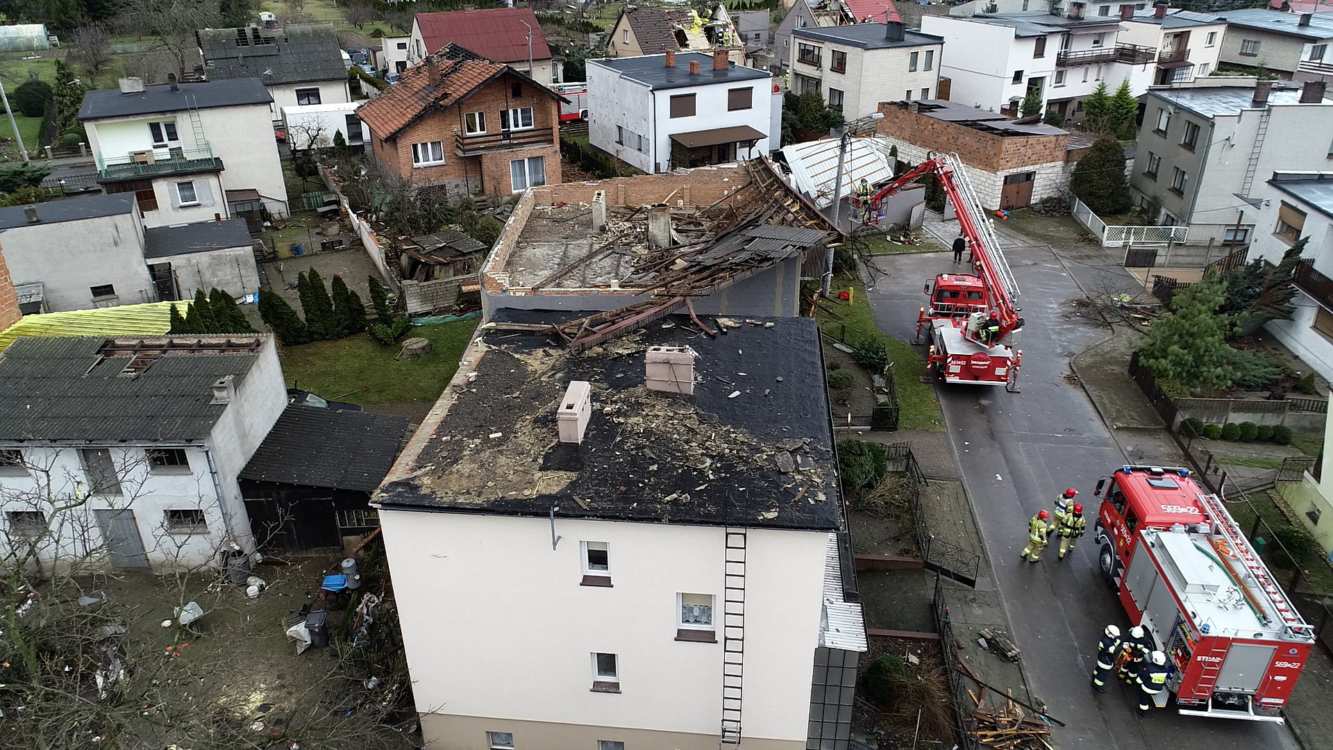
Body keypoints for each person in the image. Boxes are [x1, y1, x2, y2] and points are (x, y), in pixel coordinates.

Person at [1136, 651, 1171, 715]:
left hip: (1147, 688)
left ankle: (1142, 710)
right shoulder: (1165, 670)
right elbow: (1169, 677)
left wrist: (1138, 679)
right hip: (1158, 690)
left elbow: (1141, 678)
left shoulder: (1149, 668)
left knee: (1143, 697)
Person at [1091, 624, 1121, 693]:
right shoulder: (1106, 642)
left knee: (1098, 669)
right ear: (1110, 634)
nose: (1116, 637)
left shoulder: (1106, 638)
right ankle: (1097, 685)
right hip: (1105, 661)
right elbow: (1113, 651)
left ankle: (1094, 677)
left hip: (1102, 658)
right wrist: (1122, 647)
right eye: (1115, 636)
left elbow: (1114, 642)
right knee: (1102, 675)